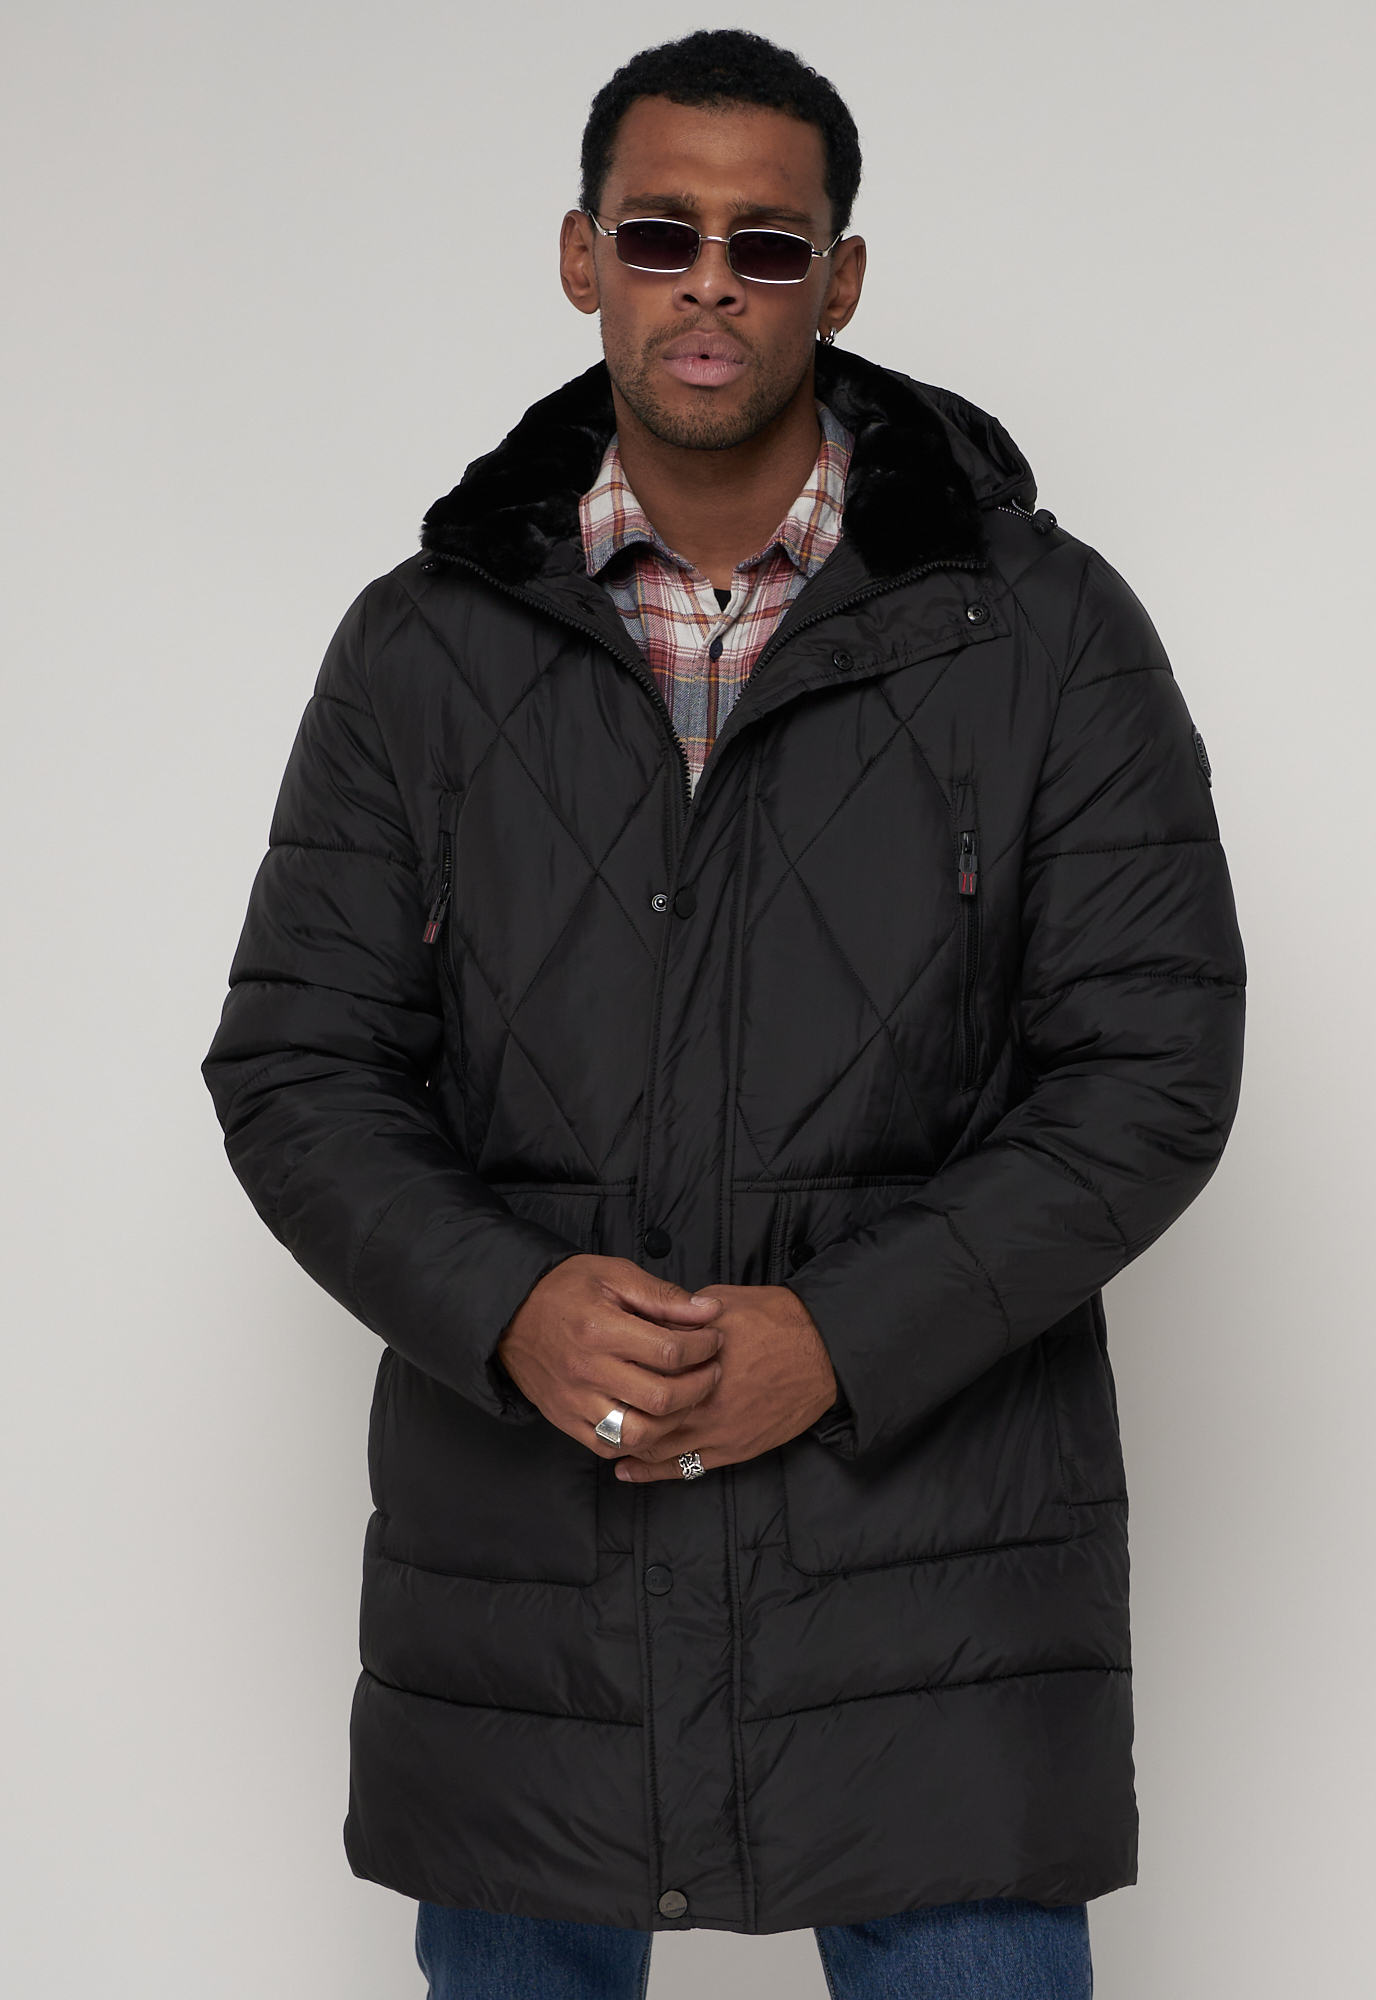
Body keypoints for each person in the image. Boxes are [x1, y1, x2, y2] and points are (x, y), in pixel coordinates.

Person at [204, 27, 1244, 1999]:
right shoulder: (423, 650)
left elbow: (1150, 1066)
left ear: (838, 279)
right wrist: (509, 1306)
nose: (709, 284)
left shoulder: (1046, 633)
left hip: (931, 1576)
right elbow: (299, 1064)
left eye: (765, 245)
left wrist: (838, 1339)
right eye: (658, 233)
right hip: (532, 1584)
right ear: (580, 256)